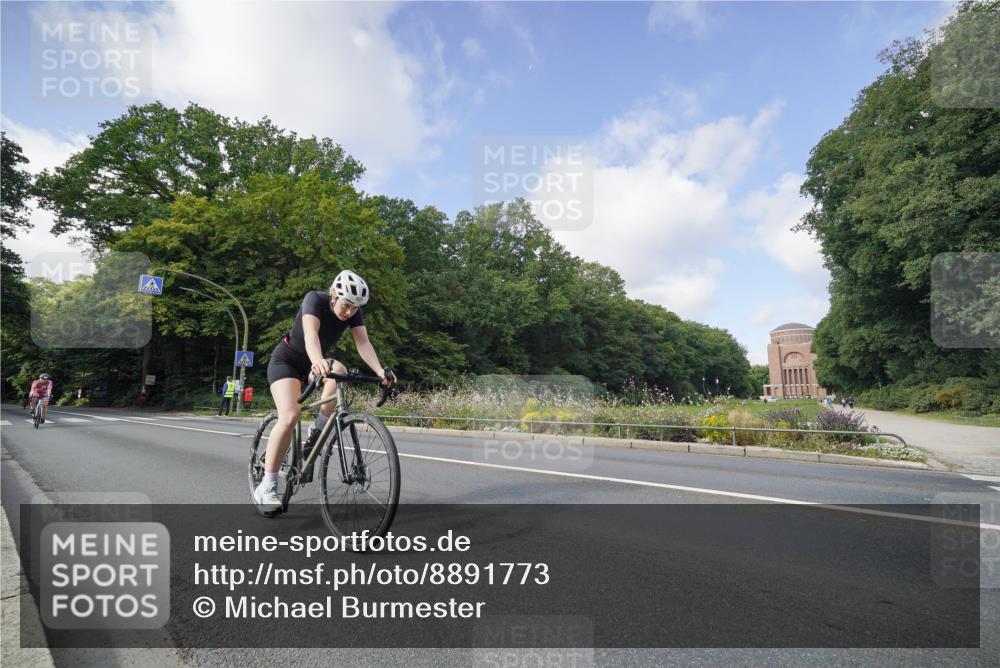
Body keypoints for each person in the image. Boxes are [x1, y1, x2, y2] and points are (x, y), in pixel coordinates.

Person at [254, 270, 396, 514]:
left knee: (339, 370)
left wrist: (380, 370)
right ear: (333, 295)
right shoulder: (315, 299)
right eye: (346, 305)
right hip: (287, 361)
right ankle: (267, 485)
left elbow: (363, 343)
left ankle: (317, 432)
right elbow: (310, 334)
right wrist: (318, 360)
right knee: (289, 416)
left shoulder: (354, 312)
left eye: (355, 308)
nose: (349, 312)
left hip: (313, 364)